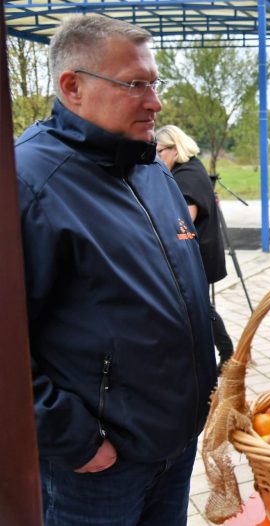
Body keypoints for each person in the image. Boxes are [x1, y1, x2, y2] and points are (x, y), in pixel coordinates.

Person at [15, 15, 215, 525]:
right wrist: (71, 438)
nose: (156, 101)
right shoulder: (27, 182)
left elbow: (180, 289)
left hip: (171, 444)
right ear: (72, 86)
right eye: (136, 85)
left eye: (155, 83)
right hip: (95, 467)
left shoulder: (150, 170)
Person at [155, 124, 234, 374]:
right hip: (203, 252)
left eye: (159, 152)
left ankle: (226, 352)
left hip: (195, 255)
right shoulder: (194, 167)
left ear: (174, 148)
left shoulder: (185, 176)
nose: (156, 158)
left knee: (199, 307)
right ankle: (226, 352)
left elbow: (182, 222)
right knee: (200, 306)